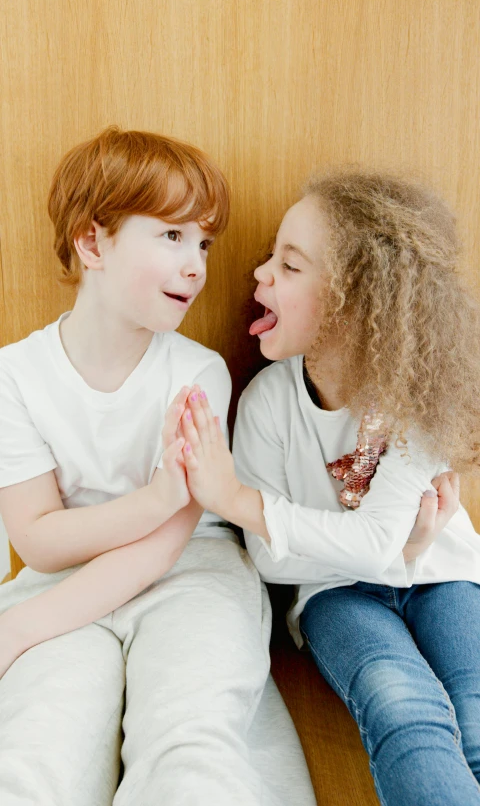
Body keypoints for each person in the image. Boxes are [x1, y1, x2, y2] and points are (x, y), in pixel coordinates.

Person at [0, 127, 316, 806]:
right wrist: (152, 499)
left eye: (203, 242)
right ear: (93, 243)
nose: (197, 264)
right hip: (67, 574)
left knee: (189, 742)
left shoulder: (197, 373)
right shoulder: (14, 376)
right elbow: (37, 538)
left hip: (188, 569)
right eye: (172, 236)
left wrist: (21, 628)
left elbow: (168, 538)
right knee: (39, 748)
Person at [175, 168, 480, 806]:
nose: (259, 274)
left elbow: (362, 543)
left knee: (474, 717)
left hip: (443, 575)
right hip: (335, 597)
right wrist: (392, 547)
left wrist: (239, 501)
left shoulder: (413, 397)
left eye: (289, 266)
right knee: (404, 709)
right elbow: (269, 558)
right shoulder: (266, 404)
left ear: (354, 300)